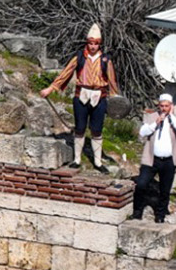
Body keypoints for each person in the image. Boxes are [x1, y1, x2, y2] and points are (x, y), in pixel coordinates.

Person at [40, 24, 121, 171]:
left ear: (99, 44)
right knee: (80, 128)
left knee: (96, 129)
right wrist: (51, 88)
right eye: (90, 43)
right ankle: (77, 159)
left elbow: (112, 81)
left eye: (95, 44)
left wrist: (117, 101)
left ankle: (98, 162)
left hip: (99, 96)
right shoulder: (79, 57)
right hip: (81, 94)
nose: (92, 46)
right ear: (87, 43)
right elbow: (65, 73)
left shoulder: (105, 60)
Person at [131, 94, 176, 222]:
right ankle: (137, 212)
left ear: (171, 106)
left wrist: (171, 116)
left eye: (166, 106)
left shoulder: (175, 119)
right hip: (152, 159)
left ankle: (160, 215)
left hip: (168, 161)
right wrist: (155, 124)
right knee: (141, 184)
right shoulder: (152, 117)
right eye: (162, 106)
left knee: (165, 190)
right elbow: (143, 132)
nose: (164, 108)